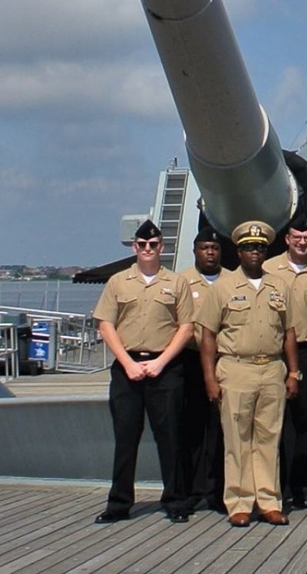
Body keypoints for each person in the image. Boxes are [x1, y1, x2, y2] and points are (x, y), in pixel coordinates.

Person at [198, 220, 299, 527]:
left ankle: (268, 500)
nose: (254, 252)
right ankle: (239, 501)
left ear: (266, 251)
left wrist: (294, 372)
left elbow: (289, 332)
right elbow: (208, 337)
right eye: (248, 248)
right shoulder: (224, 288)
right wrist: (210, 379)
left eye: (259, 247)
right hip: (236, 369)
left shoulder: (279, 286)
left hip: (271, 369)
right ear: (239, 252)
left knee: (269, 438)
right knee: (237, 440)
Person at [93, 220, 195, 524]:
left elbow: (187, 327)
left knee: (171, 438)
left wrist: (161, 362)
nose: (147, 249)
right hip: (128, 369)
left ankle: (176, 500)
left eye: (153, 245)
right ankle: (119, 503)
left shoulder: (176, 283)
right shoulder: (117, 282)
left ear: (161, 247)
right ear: (134, 247)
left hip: (165, 368)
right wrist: (127, 363)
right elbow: (105, 325)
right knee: (125, 438)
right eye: (142, 244)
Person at [263, 216, 307, 510]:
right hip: (272, 354)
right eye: (297, 237)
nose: (302, 242)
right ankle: (273, 485)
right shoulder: (268, 269)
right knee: (271, 424)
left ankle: (302, 484)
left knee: (305, 423)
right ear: (287, 239)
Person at [179, 226, 229, 513]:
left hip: (225, 361)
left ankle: (218, 490)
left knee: (221, 430)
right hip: (192, 361)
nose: (210, 252)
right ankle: (192, 490)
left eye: (214, 248)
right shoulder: (181, 282)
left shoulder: (233, 281)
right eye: (204, 247)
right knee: (192, 428)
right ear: (195, 250)